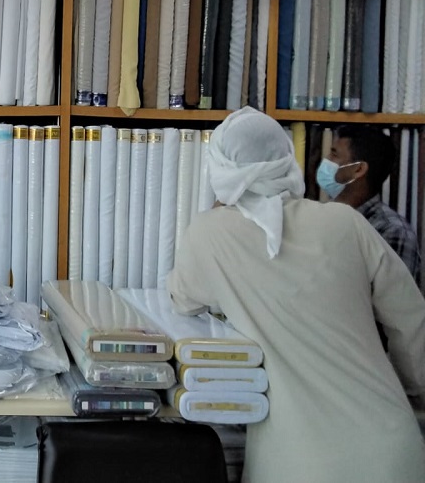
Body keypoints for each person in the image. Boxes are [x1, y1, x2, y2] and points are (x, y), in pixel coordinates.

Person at [167, 107, 425, 483]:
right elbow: (412, 322)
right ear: (287, 158)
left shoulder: (208, 234)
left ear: (220, 167)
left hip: (298, 461)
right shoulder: (345, 222)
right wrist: (414, 393)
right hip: (392, 449)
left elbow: (182, 299)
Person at [318, 124, 421, 284]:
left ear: (358, 169)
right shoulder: (319, 216)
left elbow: (393, 296)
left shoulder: (392, 232)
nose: (326, 160)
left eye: (334, 154)